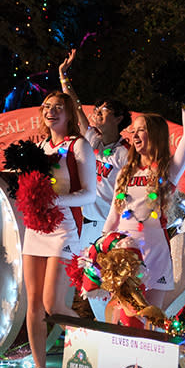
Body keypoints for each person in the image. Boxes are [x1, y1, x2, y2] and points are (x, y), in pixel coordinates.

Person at [19, 91, 97, 368]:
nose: (51, 112)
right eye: (47, 107)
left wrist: (55, 200)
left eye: (58, 108)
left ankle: (94, 350)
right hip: (36, 227)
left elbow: (89, 193)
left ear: (69, 114)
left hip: (65, 226)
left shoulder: (80, 145)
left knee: (53, 303)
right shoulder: (38, 146)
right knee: (34, 303)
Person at [103, 102, 185, 327]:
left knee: (152, 318)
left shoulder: (168, 168)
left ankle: (147, 361)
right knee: (127, 317)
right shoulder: (126, 172)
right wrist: (102, 246)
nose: (134, 135)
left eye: (141, 130)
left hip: (155, 250)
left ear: (155, 134)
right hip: (125, 252)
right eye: (133, 130)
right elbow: (113, 215)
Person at [58, 49, 131, 320]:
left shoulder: (125, 153)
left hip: (109, 228)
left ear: (119, 118)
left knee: (110, 285)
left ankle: (114, 331)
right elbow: (75, 107)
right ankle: (99, 329)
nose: (98, 115)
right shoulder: (92, 140)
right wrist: (63, 77)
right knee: (88, 286)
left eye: (104, 111)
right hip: (86, 226)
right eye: (97, 110)